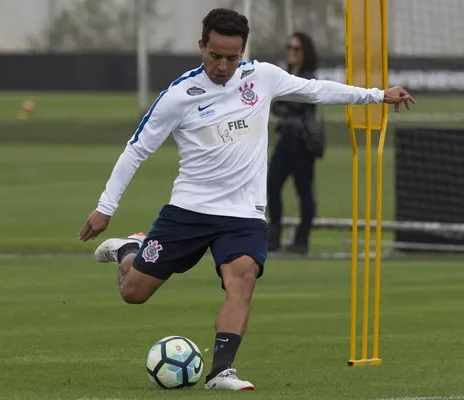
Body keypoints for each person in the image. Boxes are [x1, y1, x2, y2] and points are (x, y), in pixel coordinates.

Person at [78, 8, 415, 392]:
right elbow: (135, 150)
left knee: (242, 279)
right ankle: (127, 249)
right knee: (133, 293)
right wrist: (106, 207)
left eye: (231, 57)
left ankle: (221, 371)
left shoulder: (263, 77)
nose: (222, 66)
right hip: (188, 210)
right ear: (201, 46)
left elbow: (316, 89)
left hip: (243, 214)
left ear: (243, 51)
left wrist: (377, 95)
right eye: (215, 55)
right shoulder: (177, 96)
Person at [267, 32, 321, 255]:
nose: (291, 52)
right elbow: (275, 106)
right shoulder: (283, 75)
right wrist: (287, 108)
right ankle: (274, 236)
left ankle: (302, 239)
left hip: (302, 144)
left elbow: (303, 107)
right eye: (289, 47)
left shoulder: (309, 77)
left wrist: (287, 108)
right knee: (271, 186)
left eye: (296, 49)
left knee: (304, 193)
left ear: (305, 53)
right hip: (285, 141)